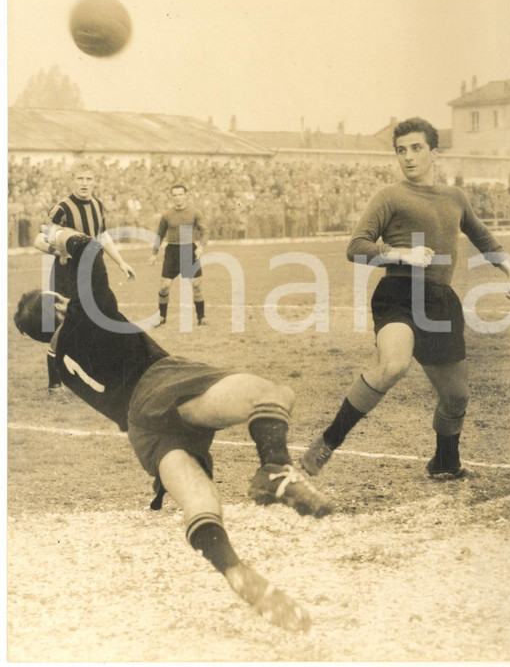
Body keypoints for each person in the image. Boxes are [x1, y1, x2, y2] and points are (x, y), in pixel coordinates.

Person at [14, 225, 334, 632]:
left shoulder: (59, 360)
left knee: (200, 503)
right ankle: (275, 467)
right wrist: (59, 237)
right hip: (160, 383)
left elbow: (67, 333)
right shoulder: (83, 318)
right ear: (60, 306)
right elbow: (92, 251)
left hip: (141, 430)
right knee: (270, 394)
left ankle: (233, 569)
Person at [301, 117, 510, 480]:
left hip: (439, 301)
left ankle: (444, 463)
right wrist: (399, 254)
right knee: (393, 364)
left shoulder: (455, 197)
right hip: (398, 293)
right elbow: (355, 247)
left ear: (434, 153)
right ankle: (328, 442)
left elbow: (484, 239)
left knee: (456, 396)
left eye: (416, 148)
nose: (407, 157)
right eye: (401, 150)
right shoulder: (389, 196)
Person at [35, 159, 136, 394]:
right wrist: (56, 249)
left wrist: (121, 262)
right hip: (68, 272)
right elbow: (39, 239)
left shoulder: (98, 205)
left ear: (95, 181)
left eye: (89, 178)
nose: (84, 183)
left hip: (95, 269)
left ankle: (100, 373)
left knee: (104, 314)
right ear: (72, 181)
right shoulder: (62, 207)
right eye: (80, 178)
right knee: (68, 322)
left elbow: (103, 236)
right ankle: (54, 382)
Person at [149, 183, 207, 327]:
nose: (178, 198)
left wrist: (201, 247)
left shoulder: (195, 213)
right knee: (164, 286)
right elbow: (160, 234)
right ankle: (162, 317)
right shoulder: (167, 215)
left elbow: (205, 231)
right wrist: (154, 253)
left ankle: (201, 317)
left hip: (189, 250)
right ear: (171, 197)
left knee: (197, 285)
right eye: (174, 195)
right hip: (172, 251)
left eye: (180, 194)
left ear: (186, 196)